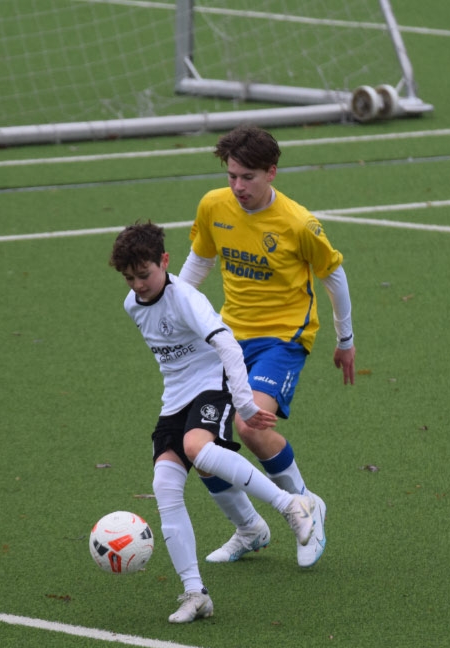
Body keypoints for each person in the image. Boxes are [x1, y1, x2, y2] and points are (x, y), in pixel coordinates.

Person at [109, 220, 318, 624]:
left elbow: (226, 344)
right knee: (164, 484)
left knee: (196, 448)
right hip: (176, 397)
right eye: (129, 278)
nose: (138, 285)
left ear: (164, 261)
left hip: (213, 383)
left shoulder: (185, 298)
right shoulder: (132, 305)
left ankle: (292, 505)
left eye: (144, 274)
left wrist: (244, 403)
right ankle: (195, 594)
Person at [178, 125, 356, 569]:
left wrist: (345, 339)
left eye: (248, 177)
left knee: (250, 426)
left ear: (271, 172)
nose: (238, 186)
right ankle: (249, 529)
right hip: (228, 338)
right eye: (231, 176)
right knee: (200, 443)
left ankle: (305, 504)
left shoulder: (298, 223)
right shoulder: (213, 205)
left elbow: (334, 277)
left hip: (283, 338)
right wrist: (174, 309)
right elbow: (201, 259)